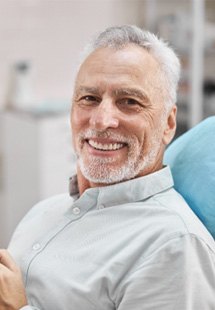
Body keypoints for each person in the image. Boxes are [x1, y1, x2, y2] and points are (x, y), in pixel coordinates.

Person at [0, 25, 215, 309]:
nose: (101, 121)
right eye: (89, 98)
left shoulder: (172, 246)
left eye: (129, 102)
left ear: (168, 123)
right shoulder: (44, 211)